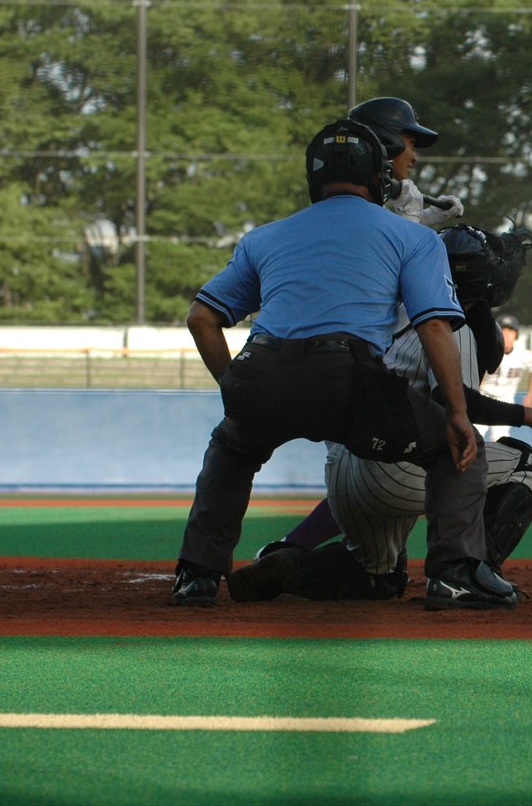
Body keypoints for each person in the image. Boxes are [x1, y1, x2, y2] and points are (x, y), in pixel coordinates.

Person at [172, 118, 514, 611]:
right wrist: (458, 413)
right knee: (455, 448)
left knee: (231, 450)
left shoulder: (264, 237)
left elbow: (202, 318)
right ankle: (454, 576)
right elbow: (435, 327)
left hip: (261, 368)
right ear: (379, 175)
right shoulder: (412, 238)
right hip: (348, 378)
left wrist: (234, 386)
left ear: (315, 177)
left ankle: (197, 576)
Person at [227, 224, 532, 605]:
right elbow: (457, 402)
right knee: (529, 465)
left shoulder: (384, 306)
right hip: (403, 462)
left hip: (344, 469)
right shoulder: (447, 323)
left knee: (379, 579)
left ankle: (290, 565)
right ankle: (466, 574)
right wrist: (530, 415)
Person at [350, 96, 464, 230]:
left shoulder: (358, 193)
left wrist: (428, 216)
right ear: (388, 141)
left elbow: (382, 229)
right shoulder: (355, 195)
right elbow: (393, 243)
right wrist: (410, 218)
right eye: (412, 144)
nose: (415, 158)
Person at [477, 314, 532, 441]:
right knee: (476, 436)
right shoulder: (486, 351)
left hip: (505, 399)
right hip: (483, 396)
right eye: (503, 330)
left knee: (500, 439)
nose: (506, 334)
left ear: (516, 334)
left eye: (510, 331)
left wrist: (530, 396)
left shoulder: (524, 355)